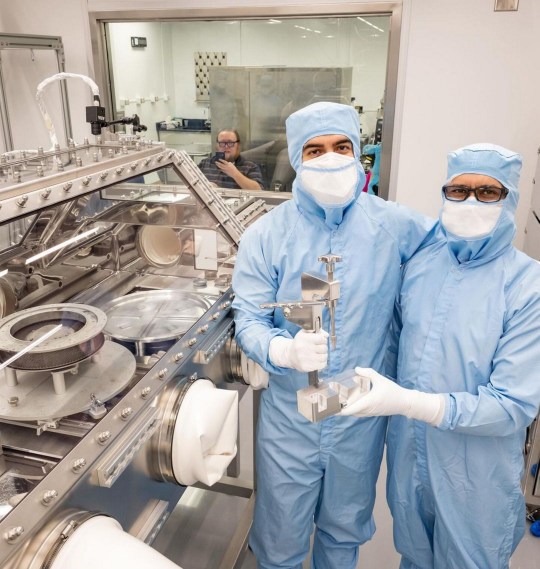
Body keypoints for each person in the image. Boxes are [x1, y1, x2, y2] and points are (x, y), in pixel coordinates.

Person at [231, 101, 437, 569]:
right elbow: (248, 319)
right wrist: (282, 349)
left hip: (359, 412)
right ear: (297, 159)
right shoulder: (266, 236)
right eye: (316, 149)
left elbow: (456, 265)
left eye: (342, 146)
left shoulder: (397, 226)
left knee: (343, 533)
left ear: (359, 151)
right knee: (280, 538)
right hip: (292, 415)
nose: (331, 158)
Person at [341, 143, 540, 569]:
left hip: (474, 480)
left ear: (511, 199)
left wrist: (413, 403)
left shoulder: (527, 287)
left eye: (488, 192)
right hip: (410, 459)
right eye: (458, 190)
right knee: (413, 557)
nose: (470, 201)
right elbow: (392, 346)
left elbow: (513, 405)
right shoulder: (421, 265)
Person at [198, 128, 264, 190]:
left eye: (230, 143)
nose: (226, 146)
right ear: (217, 145)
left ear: (238, 145)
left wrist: (234, 173)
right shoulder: (205, 164)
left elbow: (258, 190)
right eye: (222, 143)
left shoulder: (250, 167)